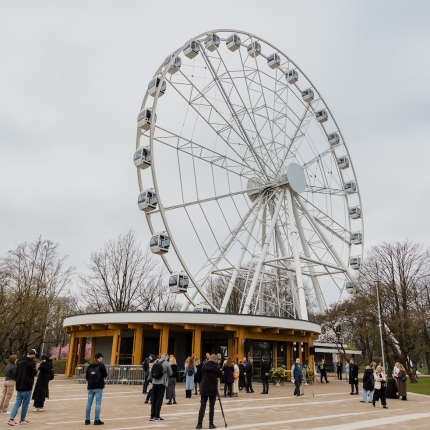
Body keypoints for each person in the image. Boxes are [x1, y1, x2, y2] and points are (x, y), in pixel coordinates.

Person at [8, 349, 40, 426]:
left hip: (19, 385)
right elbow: (34, 373)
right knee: (25, 404)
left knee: (17, 402)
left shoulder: (20, 363)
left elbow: (16, 374)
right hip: (27, 386)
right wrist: (37, 368)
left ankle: (12, 418)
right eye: (34, 355)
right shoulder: (31, 363)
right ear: (32, 355)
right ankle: (21, 419)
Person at [196, 354, 222, 430]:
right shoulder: (216, 367)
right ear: (215, 360)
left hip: (204, 388)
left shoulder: (204, 366)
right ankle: (211, 424)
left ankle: (199, 424)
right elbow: (220, 375)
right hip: (212, 388)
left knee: (202, 406)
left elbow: (201, 374)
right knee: (211, 407)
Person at [85, 352, 107, 425]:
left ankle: (87, 420)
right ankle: (96, 420)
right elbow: (105, 375)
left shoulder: (90, 365)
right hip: (98, 387)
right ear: (99, 358)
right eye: (101, 357)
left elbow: (86, 377)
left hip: (90, 387)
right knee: (98, 403)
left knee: (89, 403)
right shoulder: (101, 365)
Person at [151, 353, 173, 421]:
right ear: (166, 358)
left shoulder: (156, 362)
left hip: (154, 382)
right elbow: (170, 373)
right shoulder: (166, 363)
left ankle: (152, 415)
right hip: (161, 382)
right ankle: (157, 416)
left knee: (154, 399)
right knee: (159, 399)